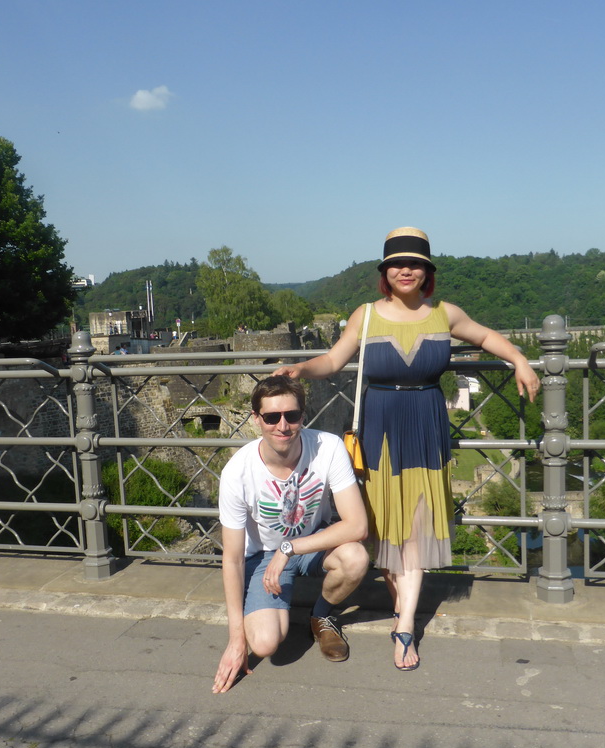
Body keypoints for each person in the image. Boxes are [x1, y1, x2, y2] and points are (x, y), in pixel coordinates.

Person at [274, 227, 540, 671]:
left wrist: (521, 359)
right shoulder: (366, 315)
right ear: (385, 272)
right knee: (384, 529)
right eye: (397, 264)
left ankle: (405, 628)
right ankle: (403, 607)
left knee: (416, 527)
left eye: (415, 263)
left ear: (427, 272)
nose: (406, 270)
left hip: (425, 427)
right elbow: (335, 360)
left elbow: (488, 337)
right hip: (380, 430)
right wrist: (303, 367)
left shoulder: (445, 314)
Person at [212, 376, 369, 694]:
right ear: (256, 419)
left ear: (303, 415)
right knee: (267, 644)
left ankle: (320, 616)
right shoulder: (237, 472)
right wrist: (235, 639)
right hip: (262, 557)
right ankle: (259, 606)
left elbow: (357, 526)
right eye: (271, 417)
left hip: (309, 542)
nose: (282, 425)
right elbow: (231, 558)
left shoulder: (328, 447)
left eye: (291, 416)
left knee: (355, 557)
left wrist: (290, 547)